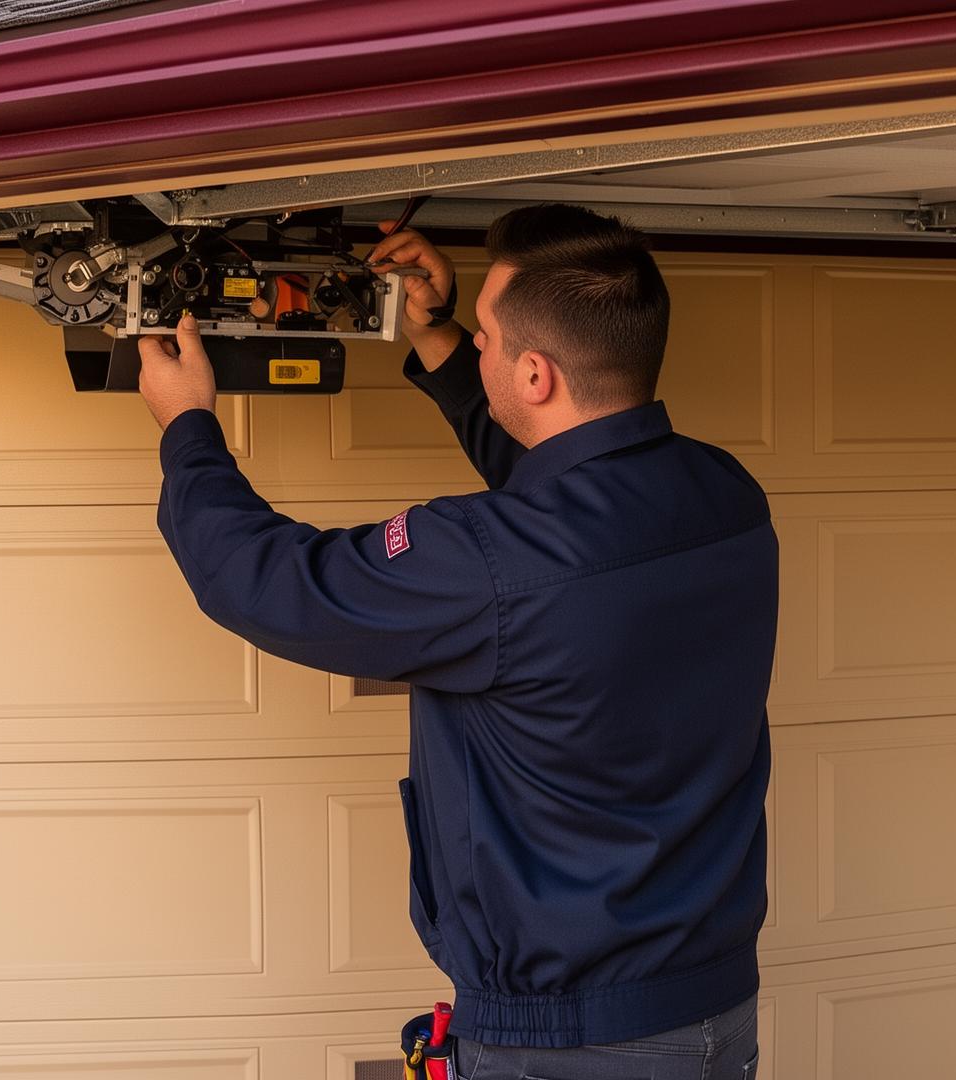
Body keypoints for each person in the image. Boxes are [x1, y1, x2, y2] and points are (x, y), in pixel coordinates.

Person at [136, 203, 774, 1080]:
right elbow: (564, 502)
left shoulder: (490, 562)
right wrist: (432, 333)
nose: (476, 344)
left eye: (485, 335)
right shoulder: (724, 495)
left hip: (569, 1047)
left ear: (537, 374)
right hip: (713, 1014)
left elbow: (262, 581)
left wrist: (188, 427)